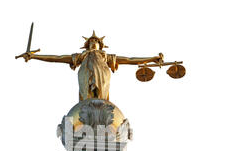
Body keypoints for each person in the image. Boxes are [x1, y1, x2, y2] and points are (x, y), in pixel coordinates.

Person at [19, 31, 163, 101]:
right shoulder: (81, 56)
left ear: (101, 45)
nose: (94, 42)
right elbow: (57, 58)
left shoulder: (106, 57)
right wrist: (35, 56)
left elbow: (129, 59)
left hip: (103, 75)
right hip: (85, 74)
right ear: (87, 45)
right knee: (86, 100)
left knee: (101, 101)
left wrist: (151, 59)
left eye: (96, 41)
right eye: (91, 41)